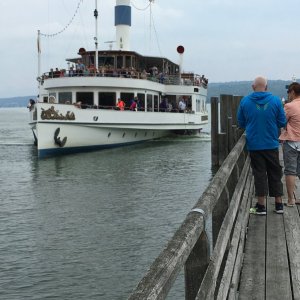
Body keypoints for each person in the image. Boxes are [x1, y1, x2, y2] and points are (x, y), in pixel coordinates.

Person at [237, 76, 287, 215]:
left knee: (259, 174)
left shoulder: (245, 101)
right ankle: (278, 205)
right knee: (275, 172)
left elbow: (240, 122)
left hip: (254, 144)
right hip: (271, 143)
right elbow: (282, 121)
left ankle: (261, 206)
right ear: (267, 87)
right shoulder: (276, 100)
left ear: (253, 87)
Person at [279, 82, 300, 206]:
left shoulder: (290, 106)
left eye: (289, 93)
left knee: (290, 171)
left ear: (292, 92)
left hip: (292, 142)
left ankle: (291, 200)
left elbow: (282, 121)